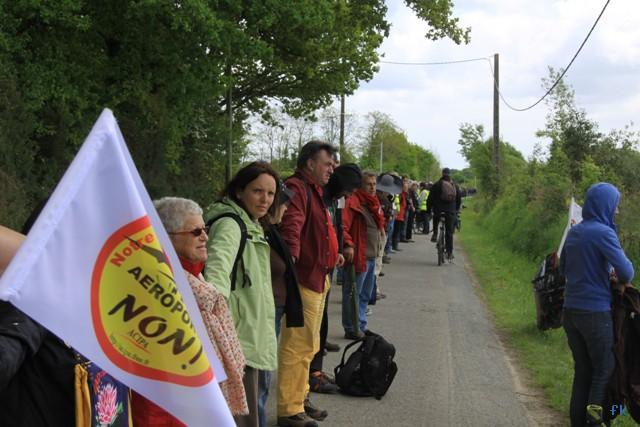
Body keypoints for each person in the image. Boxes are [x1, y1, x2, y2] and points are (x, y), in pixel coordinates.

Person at [140, 197, 247, 426]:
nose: (205, 237)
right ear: (167, 236)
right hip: (171, 409)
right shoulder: (158, 285)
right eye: (196, 231)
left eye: (205, 229)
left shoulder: (195, 278)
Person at [204, 161, 280, 427]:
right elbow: (216, 274)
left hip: (248, 332)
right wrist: (221, 331)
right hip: (238, 338)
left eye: (270, 194)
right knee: (241, 416)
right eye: (258, 191)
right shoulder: (231, 224)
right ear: (239, 191)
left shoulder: (250, 223)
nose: (265, 199)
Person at [560, 183, 634, 427]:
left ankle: (578, 422)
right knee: (605, 368)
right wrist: (613, 276)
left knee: (583, 371)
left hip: (570, 312)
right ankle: (594, 422)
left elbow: (564, 268)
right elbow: (627, 271)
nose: (617, 212)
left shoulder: (576, 231)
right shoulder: (604, 232)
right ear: (604, 205)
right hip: (595, 313)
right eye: (615, 206)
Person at [277, 141, 338, 427]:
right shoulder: (298, 188)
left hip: (317, 277)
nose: (332, 168)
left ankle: (299, 399)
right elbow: (292, 226)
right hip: (303, 279)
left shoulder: (313, 190)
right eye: (327, 163)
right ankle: (289, 410)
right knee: (298, 346)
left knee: (310, 345)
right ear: (310, 164)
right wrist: (291, 264)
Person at [309, 163, 361, 394]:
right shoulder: (321, 195)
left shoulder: (335, 199)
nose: (350, 194)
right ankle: (311, 375)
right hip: (313, 270)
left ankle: (316, 369)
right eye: (350, 188)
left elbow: (337, 225)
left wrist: (340, 247)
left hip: (329, 265)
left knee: (322, 321)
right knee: (310, 329)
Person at [258, 182, 304, 427]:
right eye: (283, 206)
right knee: (261, 377)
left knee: (264, 375)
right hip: (265, 309)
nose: (285, 211)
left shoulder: (271, 230)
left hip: (274, 305)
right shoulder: (261, 232)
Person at [342, 171, 385, 339]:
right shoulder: (353, 202)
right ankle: (351, 327)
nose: (373, 187)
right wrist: (348, 245)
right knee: (353, 293)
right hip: (359, 255)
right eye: (369, 184)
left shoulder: (373, 203)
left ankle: (361, 323)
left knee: (366, 294)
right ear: (361, 185)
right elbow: (343, 227)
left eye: (374, 184)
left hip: (371, 256)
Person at [427, 168, 462, 258]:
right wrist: (456, 210)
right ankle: (449, 252)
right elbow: (458, 200)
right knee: (449, 232)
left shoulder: (436, 185)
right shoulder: (455, 186)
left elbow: (430, 199)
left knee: (436, 217)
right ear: (450, 174)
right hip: (450, 211)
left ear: (442, 174)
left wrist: (428, 210)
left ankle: (435, 233)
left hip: (438, 210)